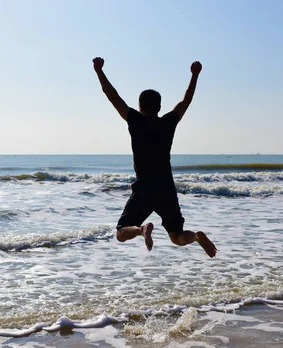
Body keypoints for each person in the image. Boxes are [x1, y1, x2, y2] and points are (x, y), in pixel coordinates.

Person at [92, 57, 217, 258]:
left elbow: (112, 95)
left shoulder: (135, 120)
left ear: (140, 106)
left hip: (144, 188)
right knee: (176, 236)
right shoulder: (168, 122)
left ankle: (141, 230)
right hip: (166, 188)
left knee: (121, 232)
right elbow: (186, 100)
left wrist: (99, 71)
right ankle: (195, 237)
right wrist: (194, 75)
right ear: (159, 107)